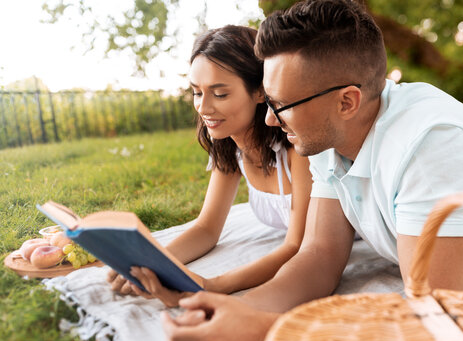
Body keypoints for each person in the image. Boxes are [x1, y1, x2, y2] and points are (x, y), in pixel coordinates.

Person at [159, 0, 463, 341]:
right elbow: (319, 255)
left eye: (280, 105)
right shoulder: (327, 136)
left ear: (347, 101)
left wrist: (264, 332)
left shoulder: (434, 147)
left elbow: (433, 315)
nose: (270, 119)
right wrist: (238, 308)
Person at [107, 25, 312, 306]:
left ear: (260, 92)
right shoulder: (228, 144)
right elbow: (207, 228)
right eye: (197, 93)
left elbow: (297, 246)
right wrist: (153, 263)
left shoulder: (298, 147)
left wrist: (210, 286)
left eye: (220, 94)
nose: (204, 108)